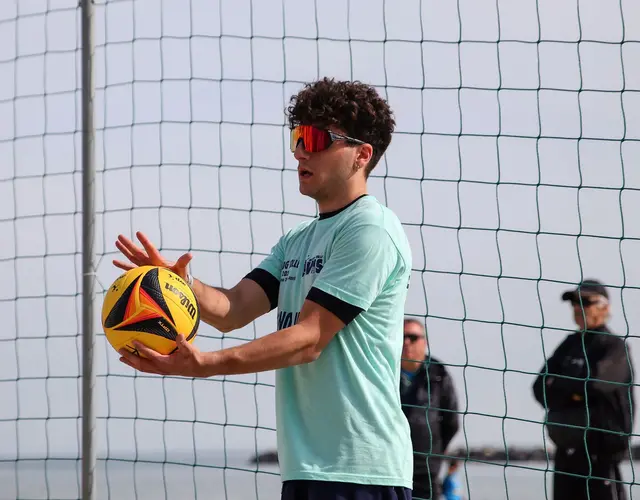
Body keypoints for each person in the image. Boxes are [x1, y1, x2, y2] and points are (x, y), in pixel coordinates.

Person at [113, 78, 414, 500]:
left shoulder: (371, 229)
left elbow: (309, 339)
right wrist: (175, 285)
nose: (299, 151)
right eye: (296, 137)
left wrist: (206, 364)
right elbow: (233, 308)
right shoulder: (297, 239)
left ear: (362, 154)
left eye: (315, 138)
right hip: (306, 468)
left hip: (360, 471)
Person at [532, 279, 634, 500]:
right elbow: (540, 388)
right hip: (567, 453)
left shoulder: (614, 347)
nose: (578, 308)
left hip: (601, 455)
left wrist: (563, 388)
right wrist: (575, 391)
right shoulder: (569, 344)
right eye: (575, 303)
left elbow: (596, 384)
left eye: (586, 302)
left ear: (605, 307)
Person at [400, 318, 460, 500]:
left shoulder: (438, 373)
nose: (406, 342)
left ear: (424, 342)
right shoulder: (383, 369)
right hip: (390, 465)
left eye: (412, 337)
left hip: (426, 467)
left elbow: (452, 421)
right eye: (401, 336)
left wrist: (435, 451)